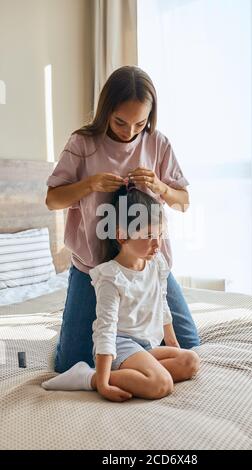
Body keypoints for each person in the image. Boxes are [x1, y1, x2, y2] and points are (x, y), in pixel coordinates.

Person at [46, 65, 200, 374]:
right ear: (106, 111)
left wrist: (159, 186)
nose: (129, 132)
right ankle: (121, 346)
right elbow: (53, 199)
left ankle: (133, 351)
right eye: (120, 121)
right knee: (71, 364)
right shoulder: (82, 144)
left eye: (139, 123)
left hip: (147, 265)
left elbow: (183, 202)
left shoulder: (158, 143)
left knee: (189, 344)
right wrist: (88, 184)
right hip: (94, 269)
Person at [42, 185, 200, 402]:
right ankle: (89, 378)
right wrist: (104, 383)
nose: (157, 243)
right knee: (161, 384)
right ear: (122, 235)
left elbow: (161, 304)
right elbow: (105, 330)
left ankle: (140, 373)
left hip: (145, 345)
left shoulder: (156, 263)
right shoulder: (111, 277)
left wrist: (172, 343)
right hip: (121, 345)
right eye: (148, 235)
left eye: (160, 234)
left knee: (190, 360)